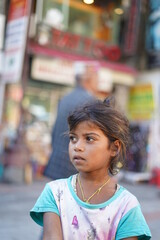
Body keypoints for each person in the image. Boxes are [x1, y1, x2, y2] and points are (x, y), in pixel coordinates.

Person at [30, 97, 151, 240]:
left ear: (114, 147)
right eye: (73, 138)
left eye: (89, 139)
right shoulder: (55, 193)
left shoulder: (126, 206)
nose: (77, 146)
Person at [43, 61, 99, 180]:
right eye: (96, 77)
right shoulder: (90, 102)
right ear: (88, 79)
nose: (98, 81)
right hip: (74, 165)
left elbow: (54, 131)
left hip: (57, 163)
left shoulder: (65, 98)